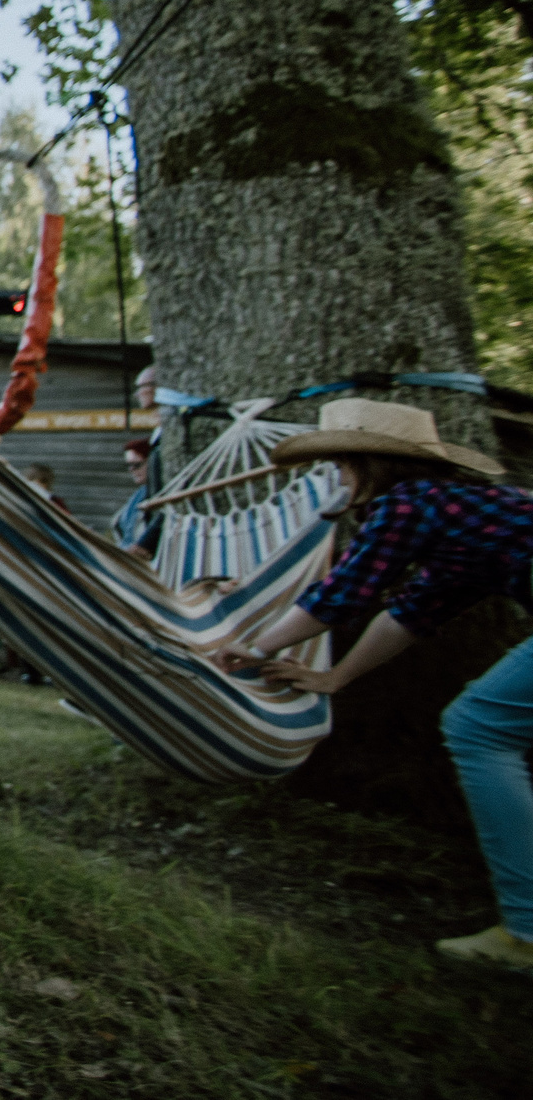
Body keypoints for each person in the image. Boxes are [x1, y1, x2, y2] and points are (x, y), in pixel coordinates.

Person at [210, 398, 533, 977]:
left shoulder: (406, 504)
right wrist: (338, 676)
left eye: (340, 464)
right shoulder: (460, 508)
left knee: (478, 727)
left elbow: (342, 595)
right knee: (484, 723)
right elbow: (413, 612)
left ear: (366, 464)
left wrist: (257, 648)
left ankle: (529, 932)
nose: (336, 476)